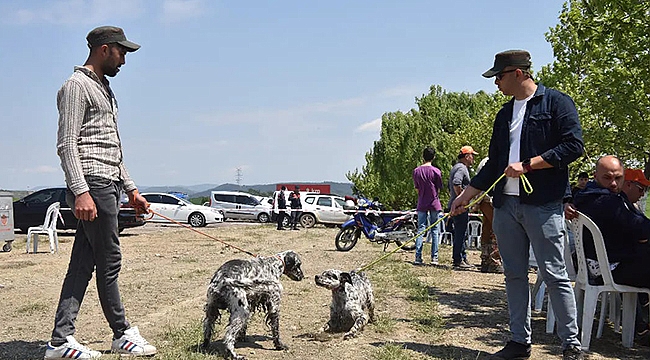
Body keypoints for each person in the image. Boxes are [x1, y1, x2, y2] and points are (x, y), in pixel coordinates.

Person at [451, 50, 584, 359]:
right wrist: (466, 195)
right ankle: (518, 343)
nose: (495, 82)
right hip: (505, 206)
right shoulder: (503, 114)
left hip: (543, 204)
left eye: (499, 76)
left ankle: (571, 345)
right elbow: (494, 163)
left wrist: (529, 164)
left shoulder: (557, 103)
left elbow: (573, 146)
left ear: (518, 73)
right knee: (513, 274)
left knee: (554, 274)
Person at [46, 26, 156, 359]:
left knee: (83, 263)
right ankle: (121, 334)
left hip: (107, 183)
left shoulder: (104, 89)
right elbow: (67, 145)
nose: (124, 59)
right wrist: (81, 192)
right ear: (104, 49)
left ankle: (60, 341)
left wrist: (132, 189)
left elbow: (110, 147)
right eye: (122, 52)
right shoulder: (76, 86)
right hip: (93, 184)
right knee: (110, 261)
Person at [568, 157, 650, 338]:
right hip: (608, 269)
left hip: (602, 264)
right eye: (607, 178)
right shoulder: (605, 201)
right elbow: (642, 228)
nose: (613, 183)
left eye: (618, 178)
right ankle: (640, 327)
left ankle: (640, 325)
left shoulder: (591, 196)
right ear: (595, 176)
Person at [412, 147, 443, 265]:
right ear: (433, 157)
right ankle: (434, 258)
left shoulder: (416, 171)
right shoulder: (436, 171)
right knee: (435, 230)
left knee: (421, 229)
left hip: (421, 202)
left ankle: (418, 257)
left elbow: (417, 188)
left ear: (422, 156)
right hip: (434, 202)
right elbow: (439, 187)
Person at [448, 145, 478, 270]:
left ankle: (461, 258)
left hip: (456, 205)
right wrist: (462, 199)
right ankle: (458, 259)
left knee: (460, 233)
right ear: (467, 156)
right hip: (460, 207)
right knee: (461, 233)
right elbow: (456, 183)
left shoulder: (456, 167)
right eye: (472, 156)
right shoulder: (461, 168)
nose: (473, 159)